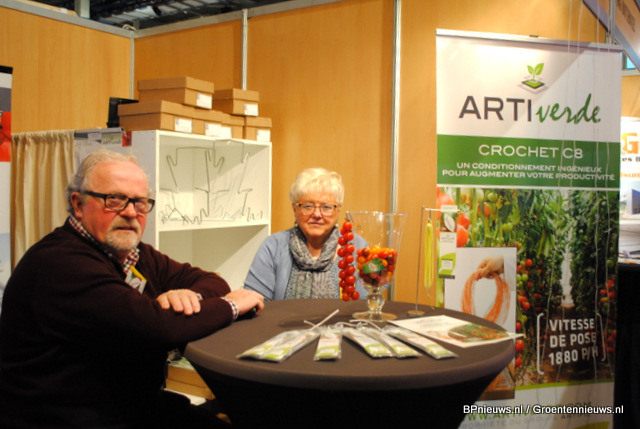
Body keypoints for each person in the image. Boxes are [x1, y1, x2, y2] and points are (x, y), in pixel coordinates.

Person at [0, 150, 264, 428]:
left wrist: (188, 296)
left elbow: (211, 281)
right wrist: (232, 305)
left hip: (130, 405)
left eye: (140, 202)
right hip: (63, 415)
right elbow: (157, 327)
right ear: (78, 204)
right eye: (114, 199)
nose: (130, 212)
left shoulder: (134, 254)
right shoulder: (60, 262)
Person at [243, 167, 366, 300]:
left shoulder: (356, 246)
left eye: (326, 207)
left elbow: (366, 303)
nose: (317, 214)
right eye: (308, 206)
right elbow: (254, 302)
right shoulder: (273, 246)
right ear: (294, 209)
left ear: (338, 210)